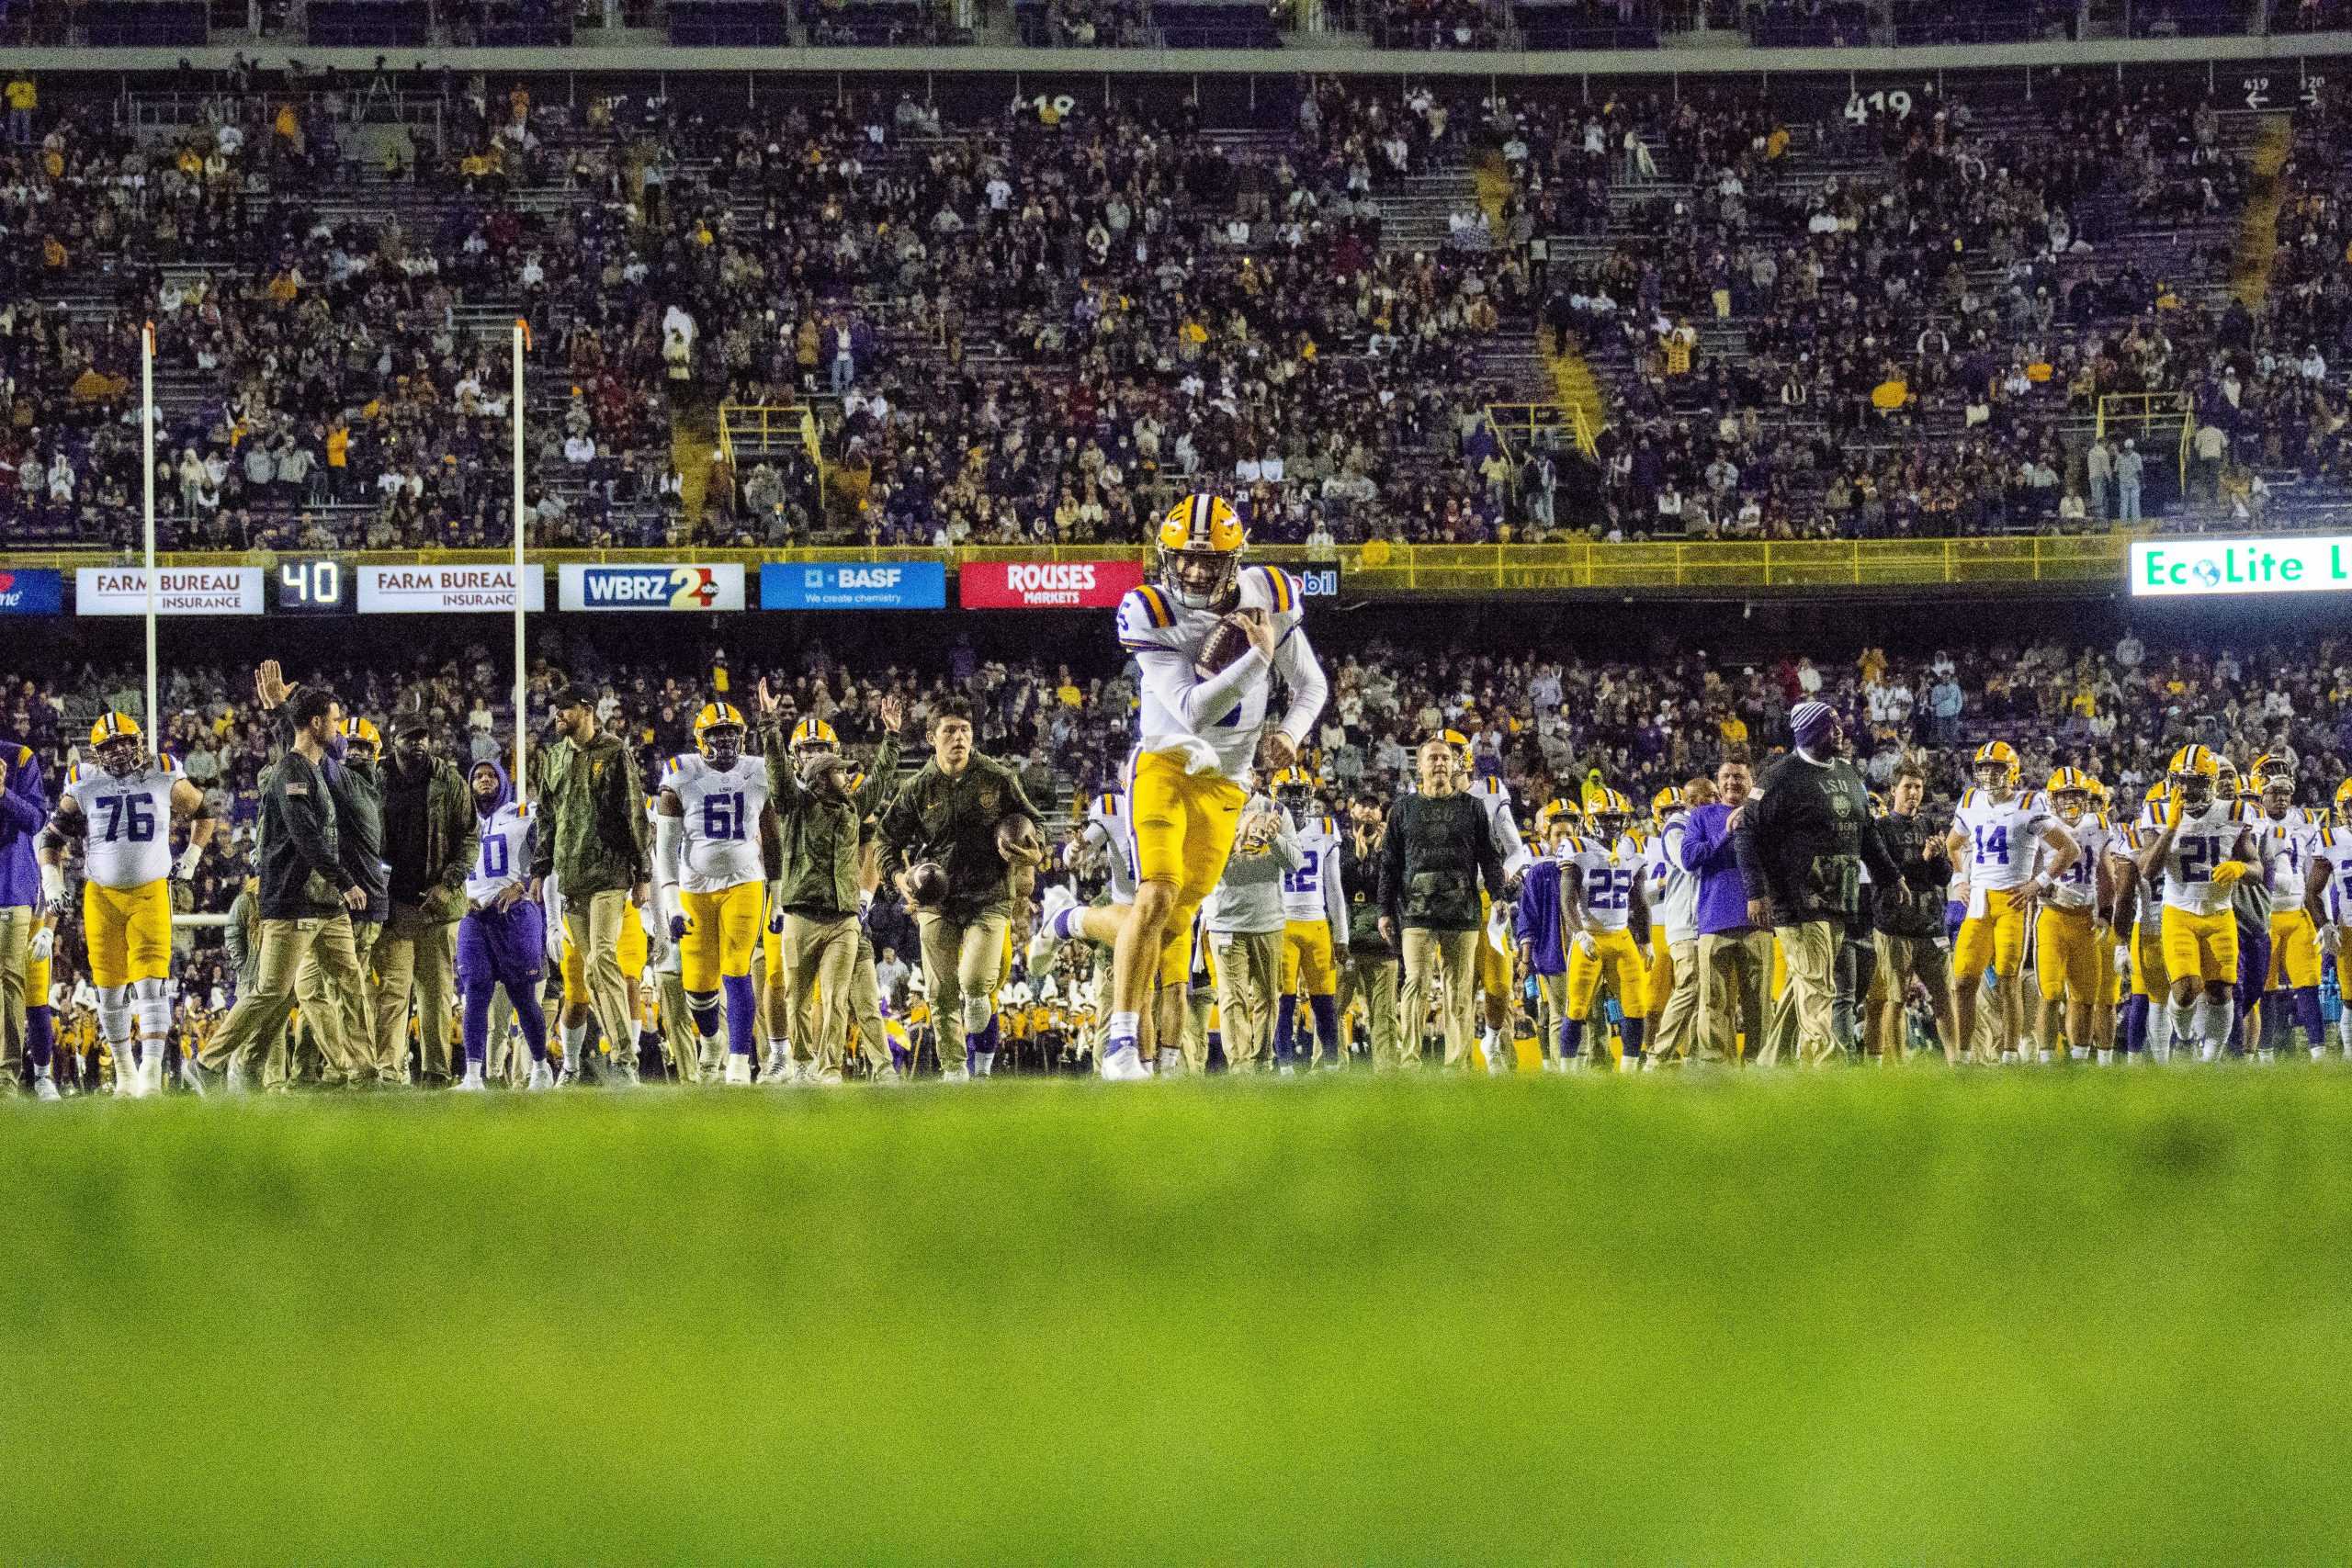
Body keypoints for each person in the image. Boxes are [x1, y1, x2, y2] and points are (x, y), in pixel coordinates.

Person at [1102, 493, 1328, 1080]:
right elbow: (1189, 712)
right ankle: (1122, 1043)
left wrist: (1292, 733)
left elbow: (1311, 685)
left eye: (1209, 560)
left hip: (1226, 783)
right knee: (1154, 895)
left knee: (1172, 922)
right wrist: (1257, 659)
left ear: (1235, 558)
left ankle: (1071, 920)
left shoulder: (1269, 596)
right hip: (1166, 766)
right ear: (1165, 557)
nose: (1196, 571)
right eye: (1185, 559)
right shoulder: (1148, 608)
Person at [195, 688, 369, 1092]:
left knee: (351, 981)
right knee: (272, 990)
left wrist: (278, 707)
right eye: (335, 719)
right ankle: (208, 1062)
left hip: (324, 904)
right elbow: (307, 837)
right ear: (315, 724)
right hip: (292, 902)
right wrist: (347, 882)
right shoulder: (291, 773)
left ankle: (364, 1070)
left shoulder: (314, 767)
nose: (340, 728)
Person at [40, 714, 216, 1097]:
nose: (120, 751)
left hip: (150, 891)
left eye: (125, 742)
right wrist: (52, 881)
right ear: (97, 753)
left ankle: (151, 1074)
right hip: (101, 895)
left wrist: (191, 857)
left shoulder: (163, 770)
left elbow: (206, 812)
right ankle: (124, 1074)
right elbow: (49, 840)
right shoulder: (84, 781)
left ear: (138, 740)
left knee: (152, 985)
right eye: (110, 745)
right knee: (108, 990)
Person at [877, 699, 1045, 1080]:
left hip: (989, 897)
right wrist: (897, 877)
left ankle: (977, 1010)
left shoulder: (996, 777)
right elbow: (886, 839)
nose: (958, 737)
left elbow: (1033, 822)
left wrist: (1035, 846)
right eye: (949, 731)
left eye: (964, 730)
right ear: (931, 738)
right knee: (940, 993)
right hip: (936, 899)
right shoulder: (917, 788)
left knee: (973, 982)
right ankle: (955, 1071)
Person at [1734, 702, 1904, 1066]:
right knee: (1819, 986)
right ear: (1808, 732)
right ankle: (1823, 1067)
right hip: (1795, 901)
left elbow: (1866, 831)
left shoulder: (1846, 772)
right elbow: (1747, 834)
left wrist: (1890, 875)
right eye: (1831, 726)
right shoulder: (1780, 777)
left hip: (1837, 898)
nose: (1840, 732)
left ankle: (1769, 1063)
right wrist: (1756, 893)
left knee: (1807, 984)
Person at [758, 689, 903, 1086]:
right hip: (801, 912)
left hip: (843, 918)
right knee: (797, 997)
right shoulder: (793, 804)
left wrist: (892, 737)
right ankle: (803, 1060)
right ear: (822, 776)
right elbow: (775, 770)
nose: (847, 775)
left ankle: (830, 1068)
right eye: (838, 770)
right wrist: (769, 725)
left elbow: (881, 777)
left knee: (838, 999)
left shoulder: (854, 806)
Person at [655, 701, 779, 1084]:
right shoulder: (680, 773)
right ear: (700, 739)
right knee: (697, 984)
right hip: (694, 885)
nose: (725, 741)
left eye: (731, 733)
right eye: (716, 733)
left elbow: (773, 839)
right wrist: (672, 905)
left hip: (745, 879)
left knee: (737, 967)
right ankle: (711, 1040)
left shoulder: (758, 772)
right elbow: (666, 847)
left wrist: (777, 893)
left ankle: (739, 1063)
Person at [535, 684, 652, 1088]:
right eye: (557, 709)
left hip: (609, 875)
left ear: (587, 710)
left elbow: (636, 814)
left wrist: (645, 874)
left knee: (603, 959)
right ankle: (617, 1056)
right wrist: (539, 869)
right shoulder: (553, 758)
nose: (558, 716)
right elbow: (546, 821)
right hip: (572, 882)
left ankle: (624, 1059)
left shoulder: (615, 752)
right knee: (591, 973)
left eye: (565, 708)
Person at [1378, 737, 1506, 1070]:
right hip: (1415, 912)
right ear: (1419, 766)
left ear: (1454, 764)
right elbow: (1389, 863)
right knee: (1415, 984)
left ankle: (1458, 1066)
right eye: (1432, 758)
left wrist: (1499, 893)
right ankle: (1409, 1062)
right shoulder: (1403, 809)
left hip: (1462, 914)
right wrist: (1384, 910)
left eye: (1445, 758)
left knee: (1460, 992)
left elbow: (1490, 858)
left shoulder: (1473, 807)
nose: (1439, 764)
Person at [1946, 740, 2076, 1064]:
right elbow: (1953, 846)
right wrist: (1961, 880)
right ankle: (1963, 1056)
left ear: (2012, 772)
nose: (1989, 773)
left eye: (1997, 767)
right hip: (1978, 899)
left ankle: (2009, 1053)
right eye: (1984, 767)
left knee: (2007, 978)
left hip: (2013, 900)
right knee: (1962, 979)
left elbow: (2068, 849)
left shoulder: (2030, 803)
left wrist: (2038, 883)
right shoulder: (1970, 801)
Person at [370, 704, 477, 1087]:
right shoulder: (375, 779)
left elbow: (469, 837)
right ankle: (390, 1070)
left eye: (423, 736)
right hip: (393, 906)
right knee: (394, 994)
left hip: (437, 906)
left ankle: (435, 1072)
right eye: (410, 737)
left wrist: (447, 884)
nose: (419, 744)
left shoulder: (449, 780)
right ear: (392, 741)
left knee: (435, 995)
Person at [2137, 746, 2258, 1062]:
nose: (2188, 789)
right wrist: (2172, 827)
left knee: (2221, 991)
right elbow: (2148, 871)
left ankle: (2210, 1063)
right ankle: (2184, 1036)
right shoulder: (2158, 812)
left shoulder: (2235, 811)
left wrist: (2241, 868)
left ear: (2213, 782)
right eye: (2182, 781)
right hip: (2179, 912)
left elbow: (2257, 868)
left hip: (2220, 913)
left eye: (2197, 782)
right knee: (2186, 988)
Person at [455, 760, 550, 1092]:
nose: (484, 780)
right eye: (478, 776)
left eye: (490, 775)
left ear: (502, 781)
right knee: (475, 992)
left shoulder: (523, 812)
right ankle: (472, 1076)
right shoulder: (460, 819)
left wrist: (524, 883)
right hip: (474, 916)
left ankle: (540, 1068)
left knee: (523, 997)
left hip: (516, 914)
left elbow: (548, 852)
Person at [1202, 784, 1298, 1074]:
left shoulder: (1277, 811)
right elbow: (1204, 867)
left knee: (1269, 995)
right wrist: (1232, 844)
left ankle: (1262, 1060)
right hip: (1225, 921)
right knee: (1232, 997)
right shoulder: (1212, 809)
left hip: (1267, 920)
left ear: (1252, 777)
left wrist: (1274, 838)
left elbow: (1295, 864)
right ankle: (1240, 1066)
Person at [1557, 786, 1651, 1069]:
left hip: (1622, 937)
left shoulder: (1632, 847)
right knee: (1576, 1008)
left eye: (1616, 818)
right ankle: (1567, 1074)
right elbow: (1567, 899)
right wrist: (1579, 933)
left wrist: (1646, 941)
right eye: (1605, 818)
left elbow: (1640, 900)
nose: (1611, 824)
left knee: (1636, 1006)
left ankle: (1629, 1072)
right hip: (1590, 936)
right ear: (1589, 819)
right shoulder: (1576, 848)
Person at [1681, 753, 1766, 1066]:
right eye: (1727, 777)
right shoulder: (1702, 817)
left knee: (1758, 1002)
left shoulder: (1763, 816)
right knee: (1713, 1001)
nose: (1733, 782)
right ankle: (1717, 1066)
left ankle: (1758, 1065)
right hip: (1714, 921)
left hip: (1758, 923)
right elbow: (1689, 859)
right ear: (1718, 783)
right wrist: (1725, 832)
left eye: (1739, 777)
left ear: (1751, 782)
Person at [1870, 761, 1955, 1063]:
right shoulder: (1880, 828)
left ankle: (1957, 1063)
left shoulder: (1930, 825)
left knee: (1946, 996)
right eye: (1907, 786)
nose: (1913, 793)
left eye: (1918, 787)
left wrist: (1936, 859)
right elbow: (1886, 875)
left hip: (1931, 925)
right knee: (1895, 999)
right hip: (1895, 927)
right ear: (1894, 790)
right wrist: (1923, 859)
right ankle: (1897, 1070)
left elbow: (1945, 877)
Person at [1270, 766, 1347, 1072]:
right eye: (1288, 792)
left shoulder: (1325, 829)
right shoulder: (1269, 828)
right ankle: (1285, 1068)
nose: (1296, 799)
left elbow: (1334, 886)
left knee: (1325, 1002)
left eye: (1300, 791)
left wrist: (1341, 935)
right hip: (1283, 922)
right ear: (1277, 795)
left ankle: (1330, 1065)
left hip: (1316, 923)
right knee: (1284, 1003)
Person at [2035, 769, 2113, 1062]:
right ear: (2052, 799)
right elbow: (2028, 873)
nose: (2069, 801)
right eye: (2064, 795)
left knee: (2085, 998)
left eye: (2076, 794)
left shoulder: (2099, 824)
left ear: (2085, 797)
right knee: (2051, 993)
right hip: (2053, 918)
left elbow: (2106, 874)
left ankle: (2079, 1061)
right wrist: (2043, 889)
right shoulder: (2043, 825)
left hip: (2087, 920)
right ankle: (2045, 1062)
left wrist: (2106, 911)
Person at [1642, 781, 1709, 1066]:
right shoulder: (1644, 841)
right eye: (1670, 811)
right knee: (1658, 999)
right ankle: (1652, 1053)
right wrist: (1660, 883)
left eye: (1680, 809)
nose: (1676, 814)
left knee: (1702, 994)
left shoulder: (1697, 828)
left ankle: (1690, 1055)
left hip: (1688, 920)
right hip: (1667, 922)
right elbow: (1635, 890)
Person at [0, 732, 44, 1097]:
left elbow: (36, 819)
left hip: (10, 889)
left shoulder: (20, 758)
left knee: (10, 983)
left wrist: (3, 793)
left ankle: (6, 1080)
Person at [1336, 792, 1394, 1068]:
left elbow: (1394, 889)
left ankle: (1387, 1075)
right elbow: (1337, 890)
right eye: (1363, 806)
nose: (1369, 812)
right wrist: (1357, 859)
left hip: (1383, 946)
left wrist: (1381, 856)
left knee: (1383, 1015)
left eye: (1374, 807)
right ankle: (1332, 1068)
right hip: (1346, 944)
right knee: (1333, 1010)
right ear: (1352, 811)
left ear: (1381, 815)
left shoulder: (1393, 849)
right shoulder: (1340, 846)